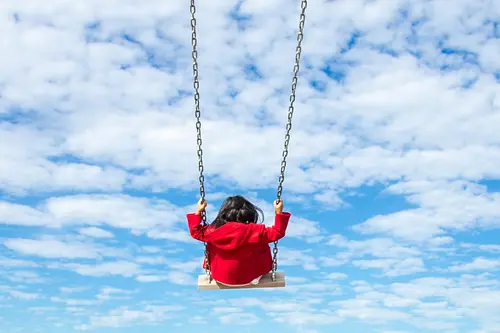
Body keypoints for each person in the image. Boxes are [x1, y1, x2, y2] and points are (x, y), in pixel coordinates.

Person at [186, 195, 291, 286]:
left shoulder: (213, 231)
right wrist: (279, 212)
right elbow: (278, 232)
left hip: (220, 277)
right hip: (252, 278)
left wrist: (198, 211)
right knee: (261, 244)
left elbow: (196, 232)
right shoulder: (256, 231)